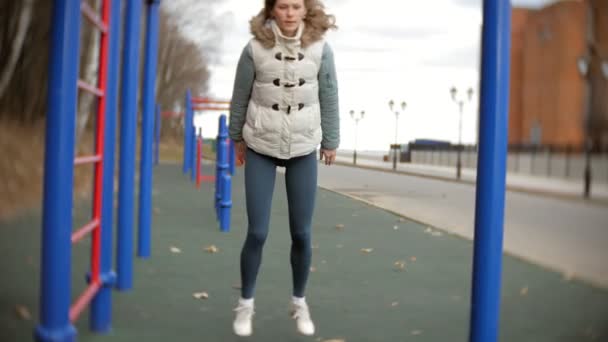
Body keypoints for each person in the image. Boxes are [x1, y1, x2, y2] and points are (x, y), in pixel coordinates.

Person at [228, 0, 339, 337]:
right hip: (261, 142)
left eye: (295, 6)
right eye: (282, 6)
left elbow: (330, 94)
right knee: (257, 231)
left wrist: (331, 139)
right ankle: (246, 304)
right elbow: (240, 95)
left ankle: (299, 301)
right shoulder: (255, 48)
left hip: (304, 144)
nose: (289, 13)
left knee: (302, 232)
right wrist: (236, 138)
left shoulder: (321, 48)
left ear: (306, 10)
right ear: (272, 10)